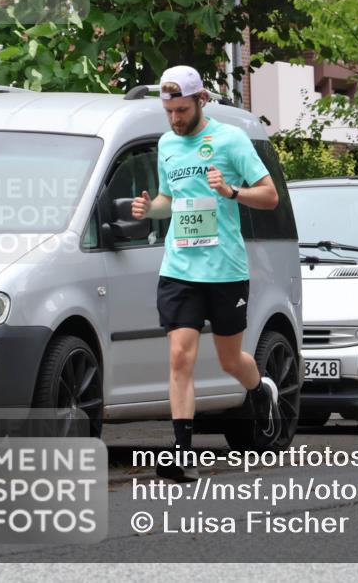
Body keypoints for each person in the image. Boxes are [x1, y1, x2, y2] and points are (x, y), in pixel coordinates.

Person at [131, 65, 282, 482]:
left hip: (225, 269)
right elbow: (168, 199)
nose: (175, 119)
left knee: (231, 360)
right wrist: (149, 209)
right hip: (180, 267)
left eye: (182, 110)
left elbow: (270, 196)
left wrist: (231, 192)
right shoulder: (166, 144)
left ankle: (260, 390)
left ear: (201, 101)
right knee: (180, 357)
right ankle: (182, 452)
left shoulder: (230, 140)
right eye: (168, 111)